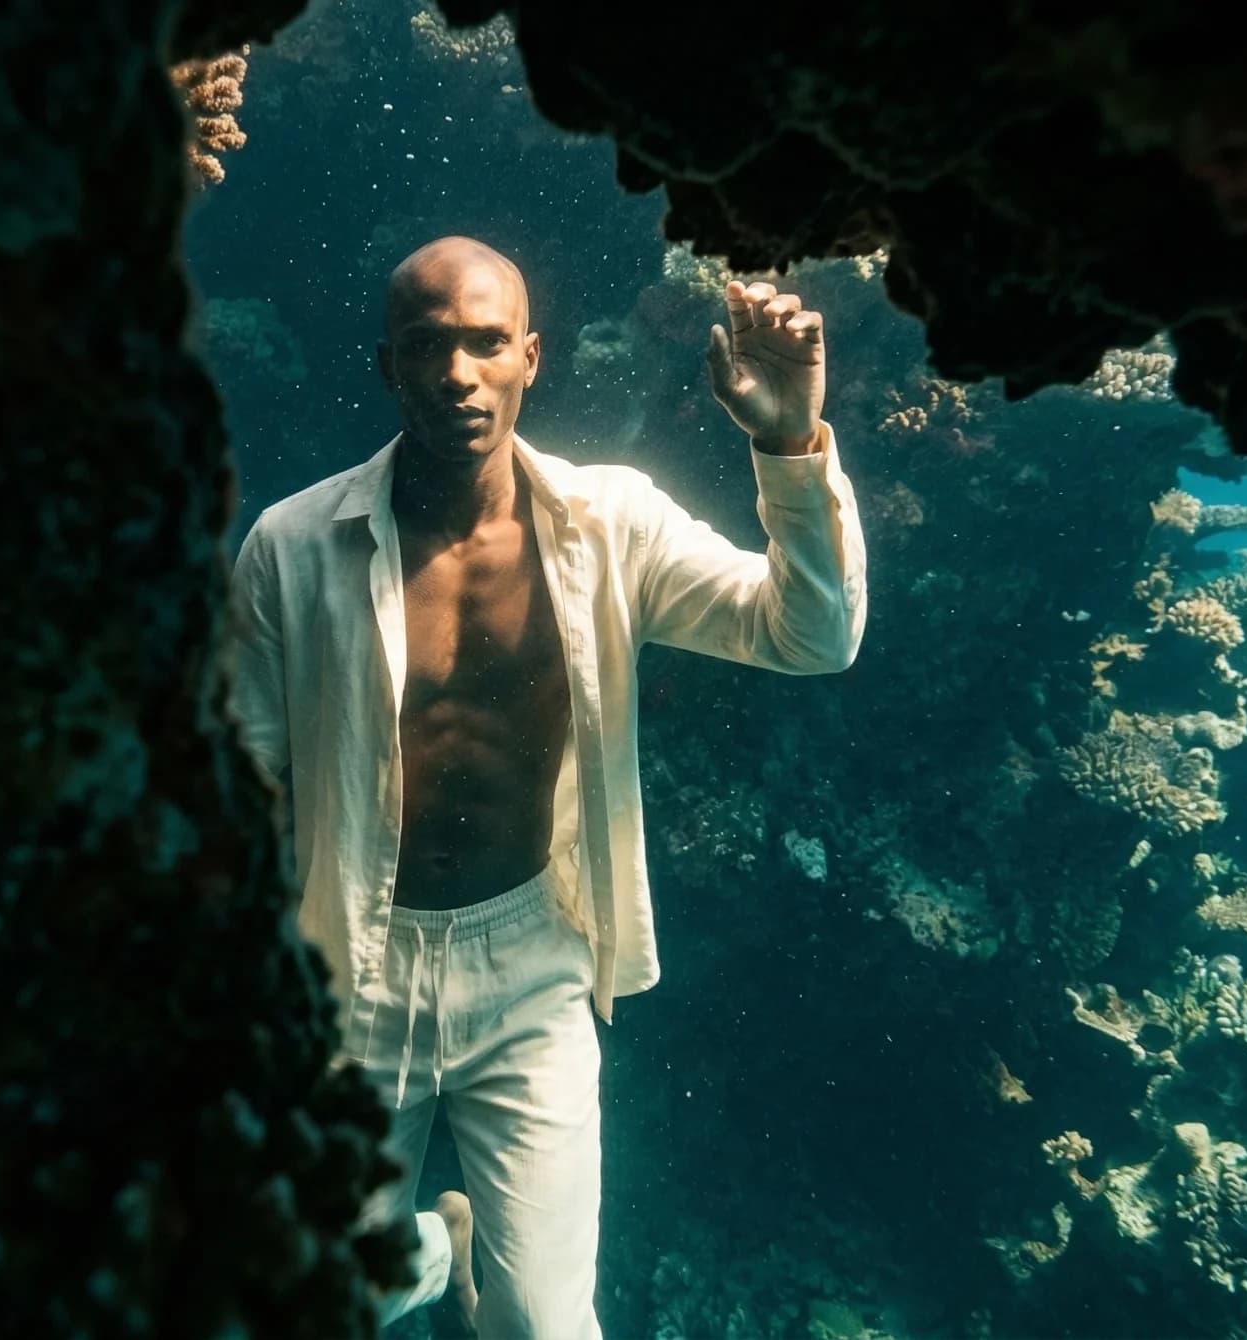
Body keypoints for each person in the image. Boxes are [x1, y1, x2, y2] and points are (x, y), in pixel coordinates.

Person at [222, 236, 867, 1337]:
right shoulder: (290, 546)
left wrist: (789, 443)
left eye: (486, 343)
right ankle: (431, 1250)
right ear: (386, 364)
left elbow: (812, 635)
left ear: (531, 357)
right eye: (427, 345)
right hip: (344, 970)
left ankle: (470, 1273)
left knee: (542, 1324)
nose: (457, 373)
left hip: (530, 960)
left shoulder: (611, 524)